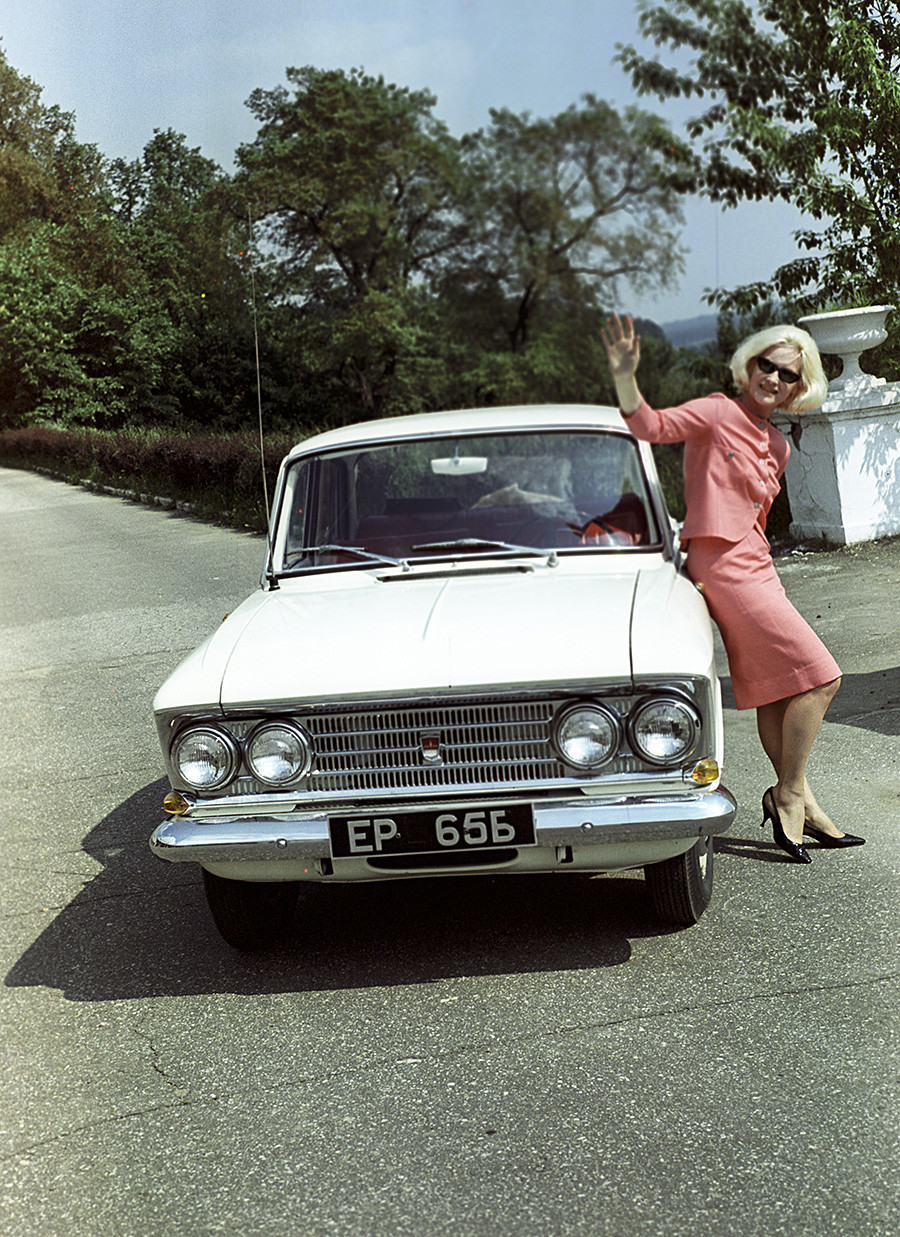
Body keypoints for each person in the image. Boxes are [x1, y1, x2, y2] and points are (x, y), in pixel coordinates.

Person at [600, 313, 864, 863]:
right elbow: (650, 426)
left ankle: (804, 803)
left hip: (757, 563)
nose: (773, 378)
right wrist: (626, 377)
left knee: (778, 685)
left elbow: (759, 519)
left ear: (799, 386)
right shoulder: (717, 412)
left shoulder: (778, 444)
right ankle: (788, 794)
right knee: (822, 679)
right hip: (721, 565)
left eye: (787, 374)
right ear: (749, 365)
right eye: (766, 365)